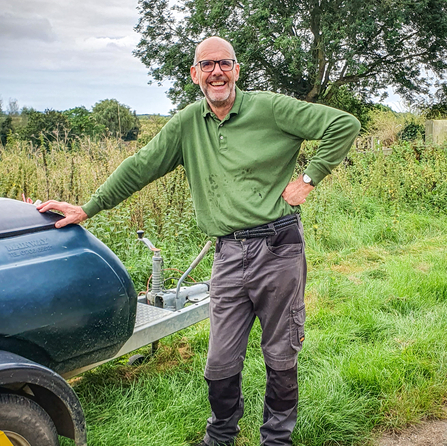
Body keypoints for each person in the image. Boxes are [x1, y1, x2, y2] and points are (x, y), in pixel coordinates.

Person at [37, 36, 360, 446]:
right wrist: (88, 208)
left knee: (280, 352)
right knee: (220, 360)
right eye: (207, 66)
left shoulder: (271, 108)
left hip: (278, 248)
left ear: (237, 70)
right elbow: (140, 167)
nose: (216, 72)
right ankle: (221, 435)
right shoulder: (188, 123)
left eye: (224, 63)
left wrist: (308, 178)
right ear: (195, 74)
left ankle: (277, 439)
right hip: (227, 254)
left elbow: (343, 124)